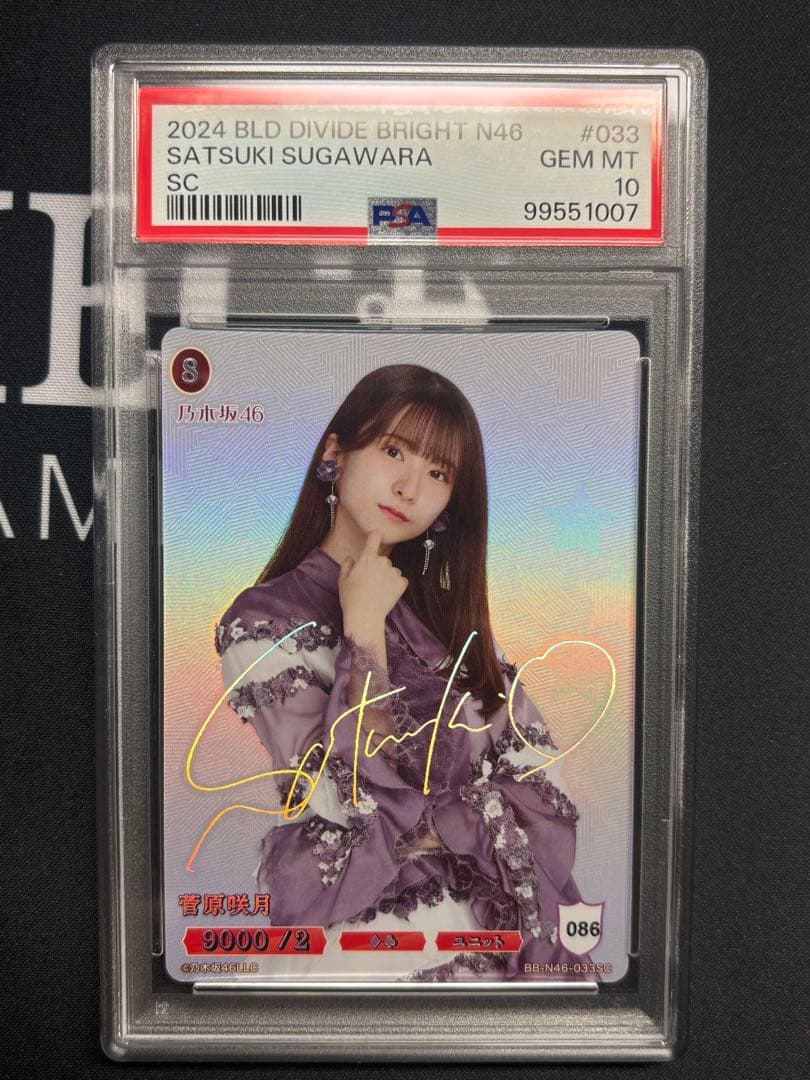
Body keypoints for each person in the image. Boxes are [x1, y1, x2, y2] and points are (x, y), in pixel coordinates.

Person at [216, 363, 585, 981]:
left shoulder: (451, 630)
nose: (410, 488)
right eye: (394, 451)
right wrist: (363, 629)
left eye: (438, 473)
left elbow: (546, 788)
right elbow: (345, 797)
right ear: (334, 454)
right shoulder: (263, 622)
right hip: (360, 948)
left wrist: (425, 816)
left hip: (488, 944)